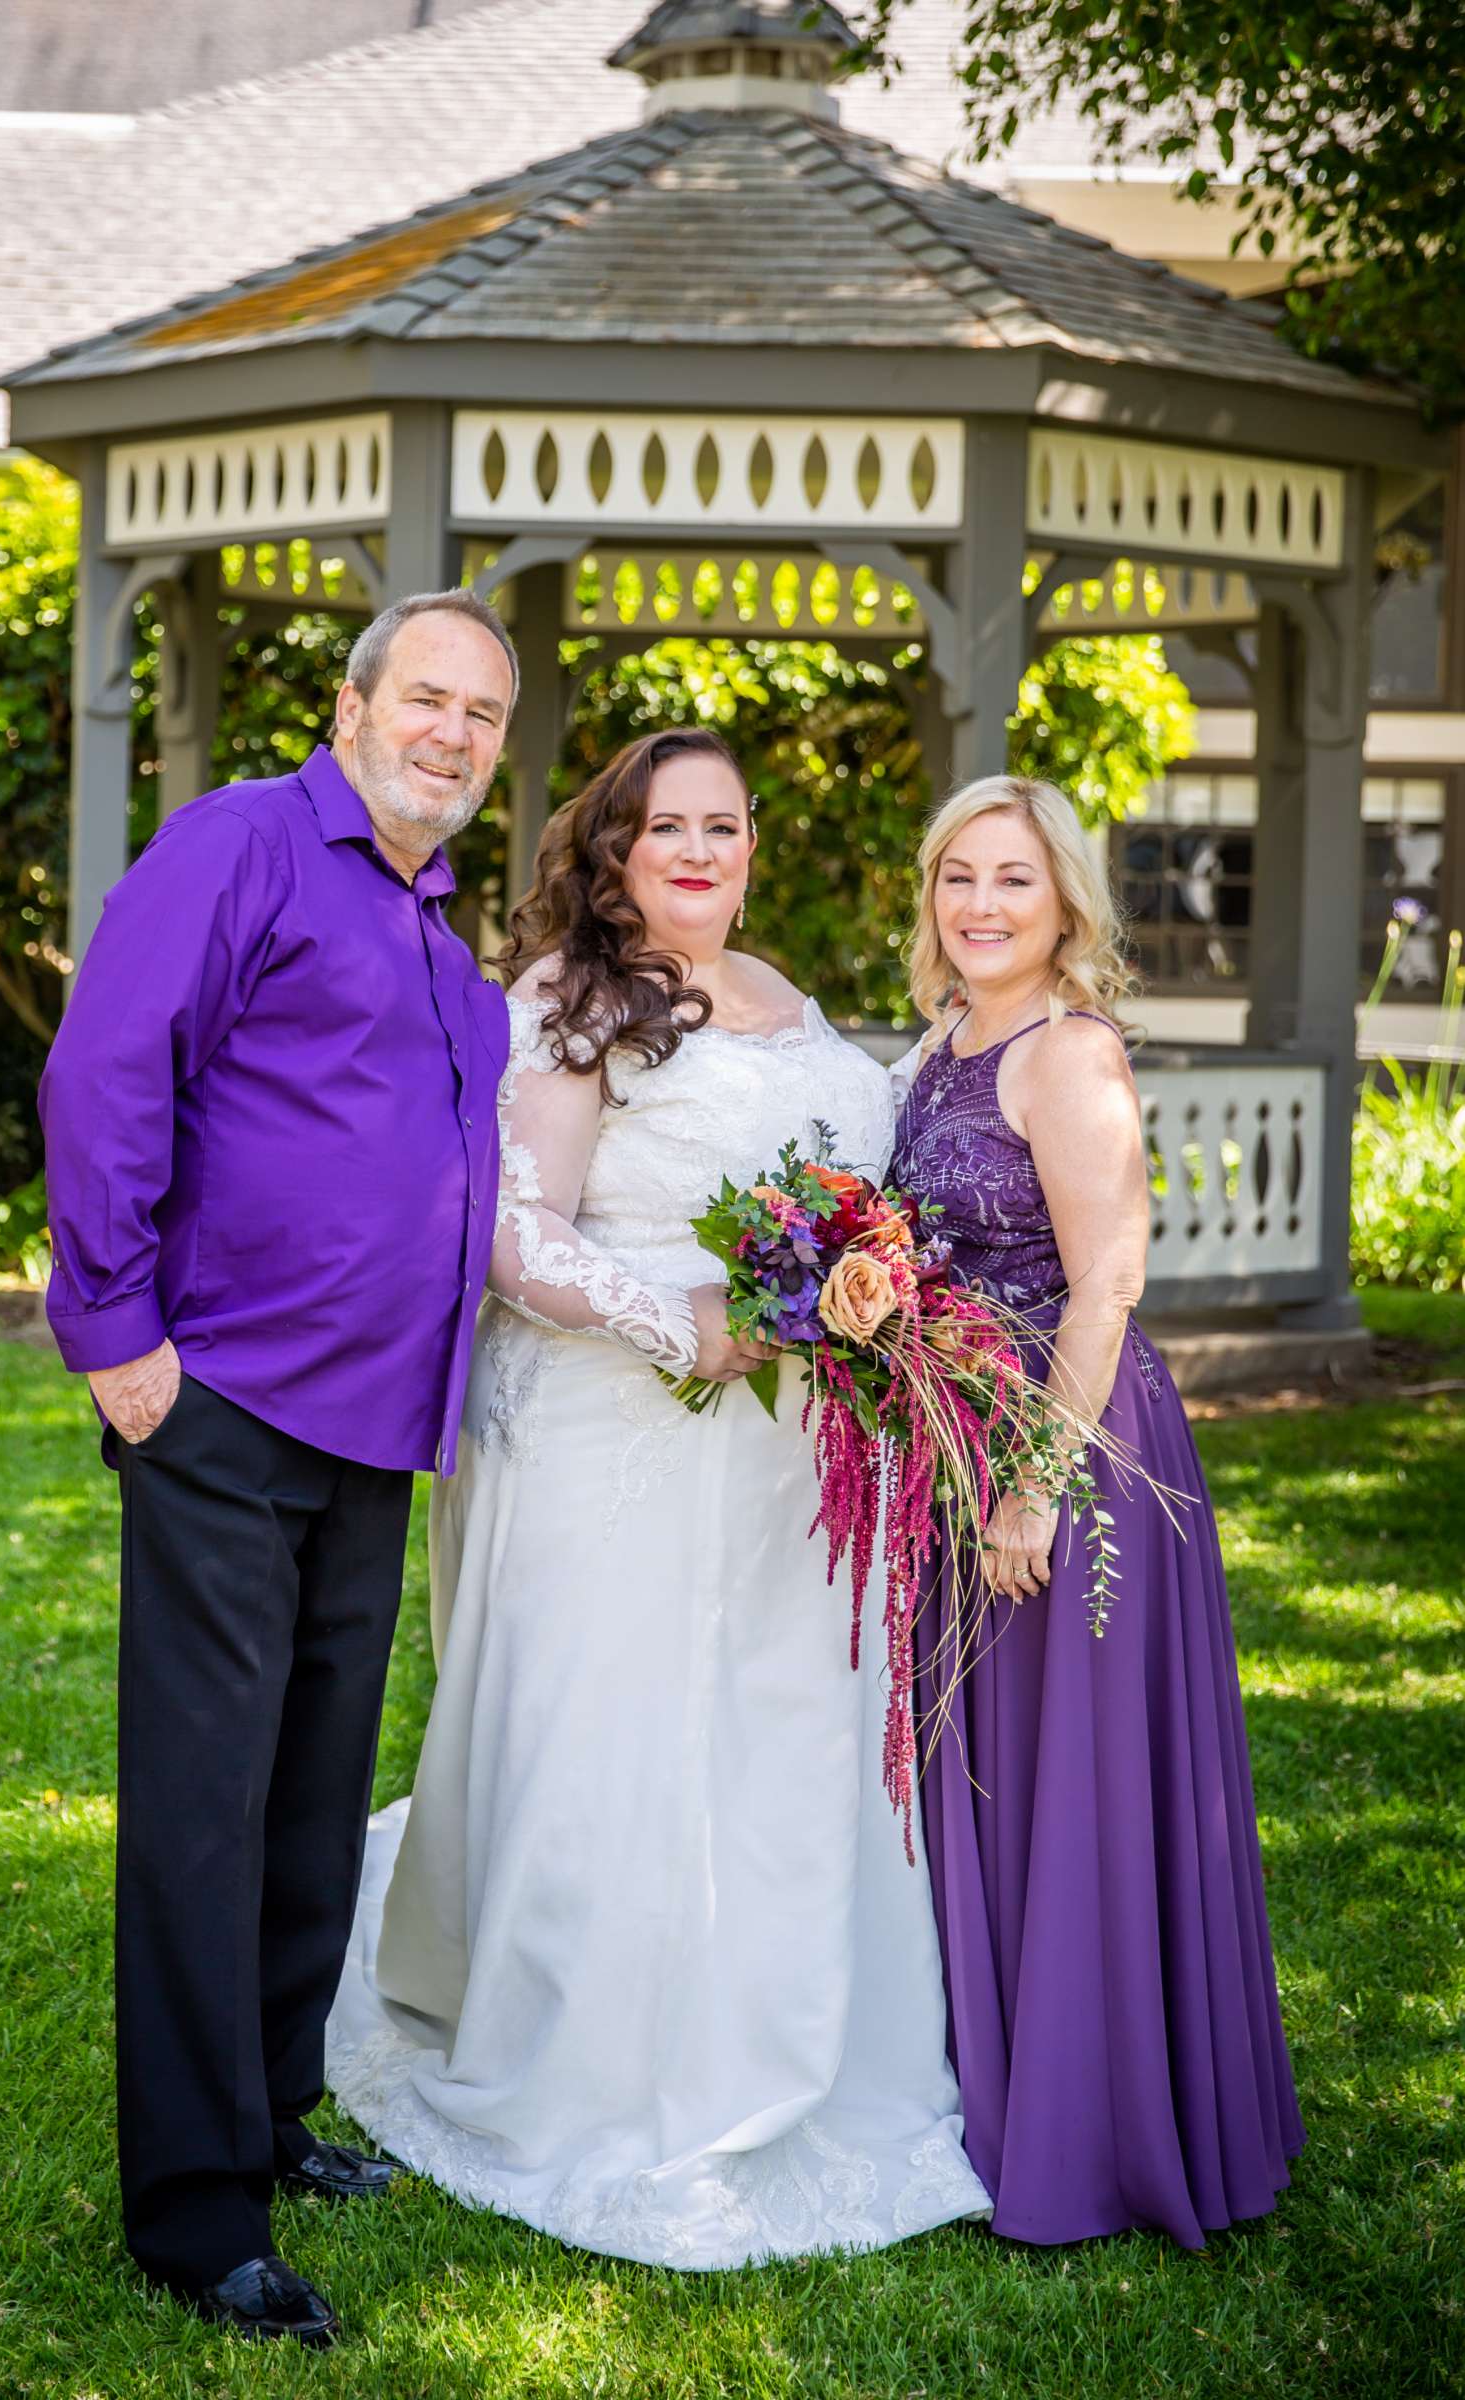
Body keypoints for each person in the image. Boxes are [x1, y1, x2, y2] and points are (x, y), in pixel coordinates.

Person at [324, 727, 991, 2266]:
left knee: (779, 1730)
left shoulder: (790, 1002)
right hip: (619, 1426)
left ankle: (800, 2029)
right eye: (666, 826)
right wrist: (682, 1322)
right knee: (619, 1726)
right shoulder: (568, 1001)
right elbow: (515, 1230)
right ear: (614, 846)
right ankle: (597, 2055)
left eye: (727, 827)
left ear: (756, 847)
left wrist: (858, 1293)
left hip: (794, 1446)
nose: (699, 851)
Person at [38, 589, 518, 2346]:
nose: (454, 736)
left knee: (312, 1793)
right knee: (204, 1801)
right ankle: (190, 2210)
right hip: (224, 1403)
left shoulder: (443, 942)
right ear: (355, 702)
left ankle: (270, 2110)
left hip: (378, 1429)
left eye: (484, 716)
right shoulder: (240, 845)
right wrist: (114, 1337)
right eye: (429, 700)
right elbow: (105, 1070)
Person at [889, 774, 1304, 2248]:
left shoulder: (1069, 1054)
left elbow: (1107, 1280)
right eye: (958, 878)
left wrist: (1035, 1488)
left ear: (1065, 898)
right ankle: (993, 2084)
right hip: (957, 1439)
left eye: (1014, 878)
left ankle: (1103, 2128)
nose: (983, 905)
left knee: (1079, 1786)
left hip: (1071, 1453)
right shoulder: (945, 1043)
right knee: (993, 1778)